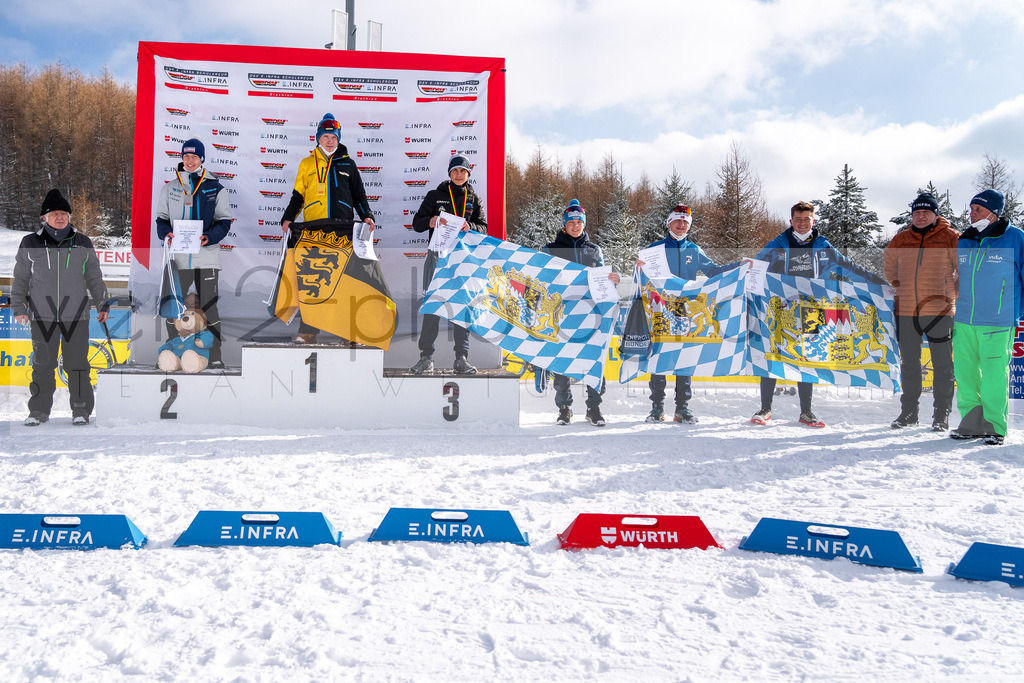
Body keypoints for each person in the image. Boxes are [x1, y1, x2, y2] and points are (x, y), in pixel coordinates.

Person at [750, 201, 885, 428]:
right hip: (781, 309)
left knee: (808, 355)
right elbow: (754, 267)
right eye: (798, 220)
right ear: (791, 221)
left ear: (814, 221)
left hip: (812, 310)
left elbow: (849, 267)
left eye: (807, 220)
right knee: (773, 353)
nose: (803, 224)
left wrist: (879, 284)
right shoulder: (777, 245)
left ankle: (806, 412)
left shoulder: (823, 246)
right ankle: (765, 409)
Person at [11, 189, 109, 426]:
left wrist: (102, 302)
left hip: (76, 316)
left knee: (77, 365)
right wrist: (19, 307)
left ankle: (81, 409)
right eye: (54, 213)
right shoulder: (30, 242)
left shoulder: (82, 242)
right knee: (43, 365)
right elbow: (21, 278)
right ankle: (38, 411)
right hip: (42, 316)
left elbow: (94, 277)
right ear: (44, 217)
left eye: (64, 213)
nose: (60, 217)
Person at [281, 113, 375, 343]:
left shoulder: (348, 164)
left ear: (338, 138)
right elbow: (297, 196)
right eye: (325, 136)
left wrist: (368, 216)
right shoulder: (306, 164)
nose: (330, 140)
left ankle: (348, 333)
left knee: (345, 280)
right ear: (318, 139)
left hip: (342, 229)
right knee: (312, 280)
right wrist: (287, 218)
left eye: (334, 136)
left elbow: (359, 196)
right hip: (314, 229)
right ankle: (309, 331)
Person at [949, 189, 1024, 445]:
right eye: (970, 209)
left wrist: (1017, 312)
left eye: (978, 209)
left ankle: (995, 426)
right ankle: (971, 423)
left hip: (998, 320)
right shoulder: (965, 239)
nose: (972, 214)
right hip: (965, 319)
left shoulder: (1015, 238)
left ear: (994, 212)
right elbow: (959, 277)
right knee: (965, 373)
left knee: (993, 374)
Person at [639, 204, 725, 424]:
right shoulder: (655, 249)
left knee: (684, 358)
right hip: (660, 309)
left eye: (686, 221)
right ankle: (657, 407)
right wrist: (638, 268)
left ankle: (682, 408)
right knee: (659, 357)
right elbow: (643, 278)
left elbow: (714, 272)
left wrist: (739, 267)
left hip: (685, 309)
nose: (681, 224)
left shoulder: (694, 250)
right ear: (669, 223)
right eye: (677, 220)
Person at [884, 192, 960, 431]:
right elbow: (889, 266)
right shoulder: (901, 238)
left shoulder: (951, 237)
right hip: (906, 310)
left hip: (939, 311)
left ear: (936, 214)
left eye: (926, 212)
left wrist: (952, 296)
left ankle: (941, 415)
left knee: (943, 364)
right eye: (916, 212)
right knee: (909, 364)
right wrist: (898, 284)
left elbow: (963, 270)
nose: (920, 216)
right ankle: (909, 413)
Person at [543, 199, 620, 426]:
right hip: (561, 314)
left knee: (592, 360)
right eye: (571, 222)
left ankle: (593, 408)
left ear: (584, 224)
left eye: (579, 222)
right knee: (561, 362)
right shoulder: (550, 249)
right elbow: (540, 280)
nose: (575, 226)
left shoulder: (595, 250)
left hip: (591, 315)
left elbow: (604, 281)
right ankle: (564, 408)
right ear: (564, 224)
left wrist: (612, 279)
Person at [156, 137, 232, 368]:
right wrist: (166, 232)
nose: (190, 161)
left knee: (209, 306)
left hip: (206, 257)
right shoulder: (170, 188)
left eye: (194, 157)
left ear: (202, 159)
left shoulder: (215, 187)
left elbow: (225, 221)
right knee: (174, 305)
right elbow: (161, 219)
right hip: (178, 259)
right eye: (186, 156)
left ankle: (215, 355)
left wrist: (209, 236)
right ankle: (173, 351)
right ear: (182, 158)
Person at [410, 155, 487, 374]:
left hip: (463, 260)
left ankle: (461, 358)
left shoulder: (474, 198)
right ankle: (426, 357)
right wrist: (431, 221)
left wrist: (469, 226)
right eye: (455, 171)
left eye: (463, 171)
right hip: (437, 257)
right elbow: (417, 223)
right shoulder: (435, 195)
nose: (459, 174)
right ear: (449, 174)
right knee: (433, 306)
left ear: (468, 174)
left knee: (462, 308)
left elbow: (484, 228)